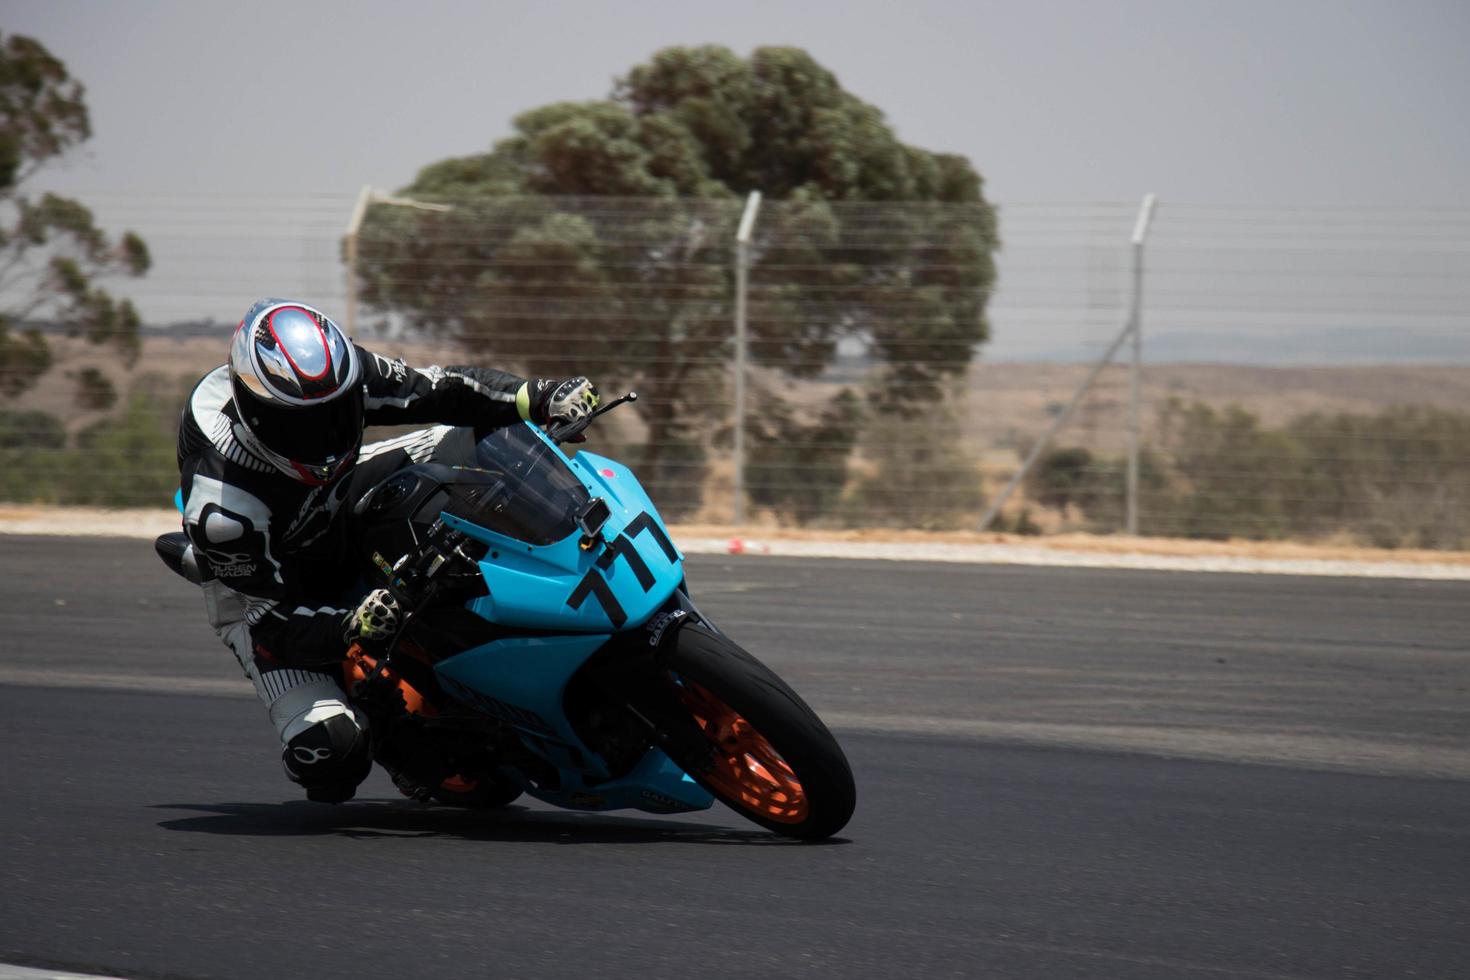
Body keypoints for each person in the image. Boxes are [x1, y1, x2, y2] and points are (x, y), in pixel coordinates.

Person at [176, 298, 598, 803]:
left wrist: (537, 395)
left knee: (478, 441)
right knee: (332, 754)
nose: (323, 437)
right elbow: (272, 628)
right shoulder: (224, 509)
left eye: (335, 416)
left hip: (335, 499)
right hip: (270, 589)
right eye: (300, 427)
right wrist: (350, 626)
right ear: (252, 414)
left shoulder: (344, 378)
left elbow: (439, 389)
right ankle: (399, 746)